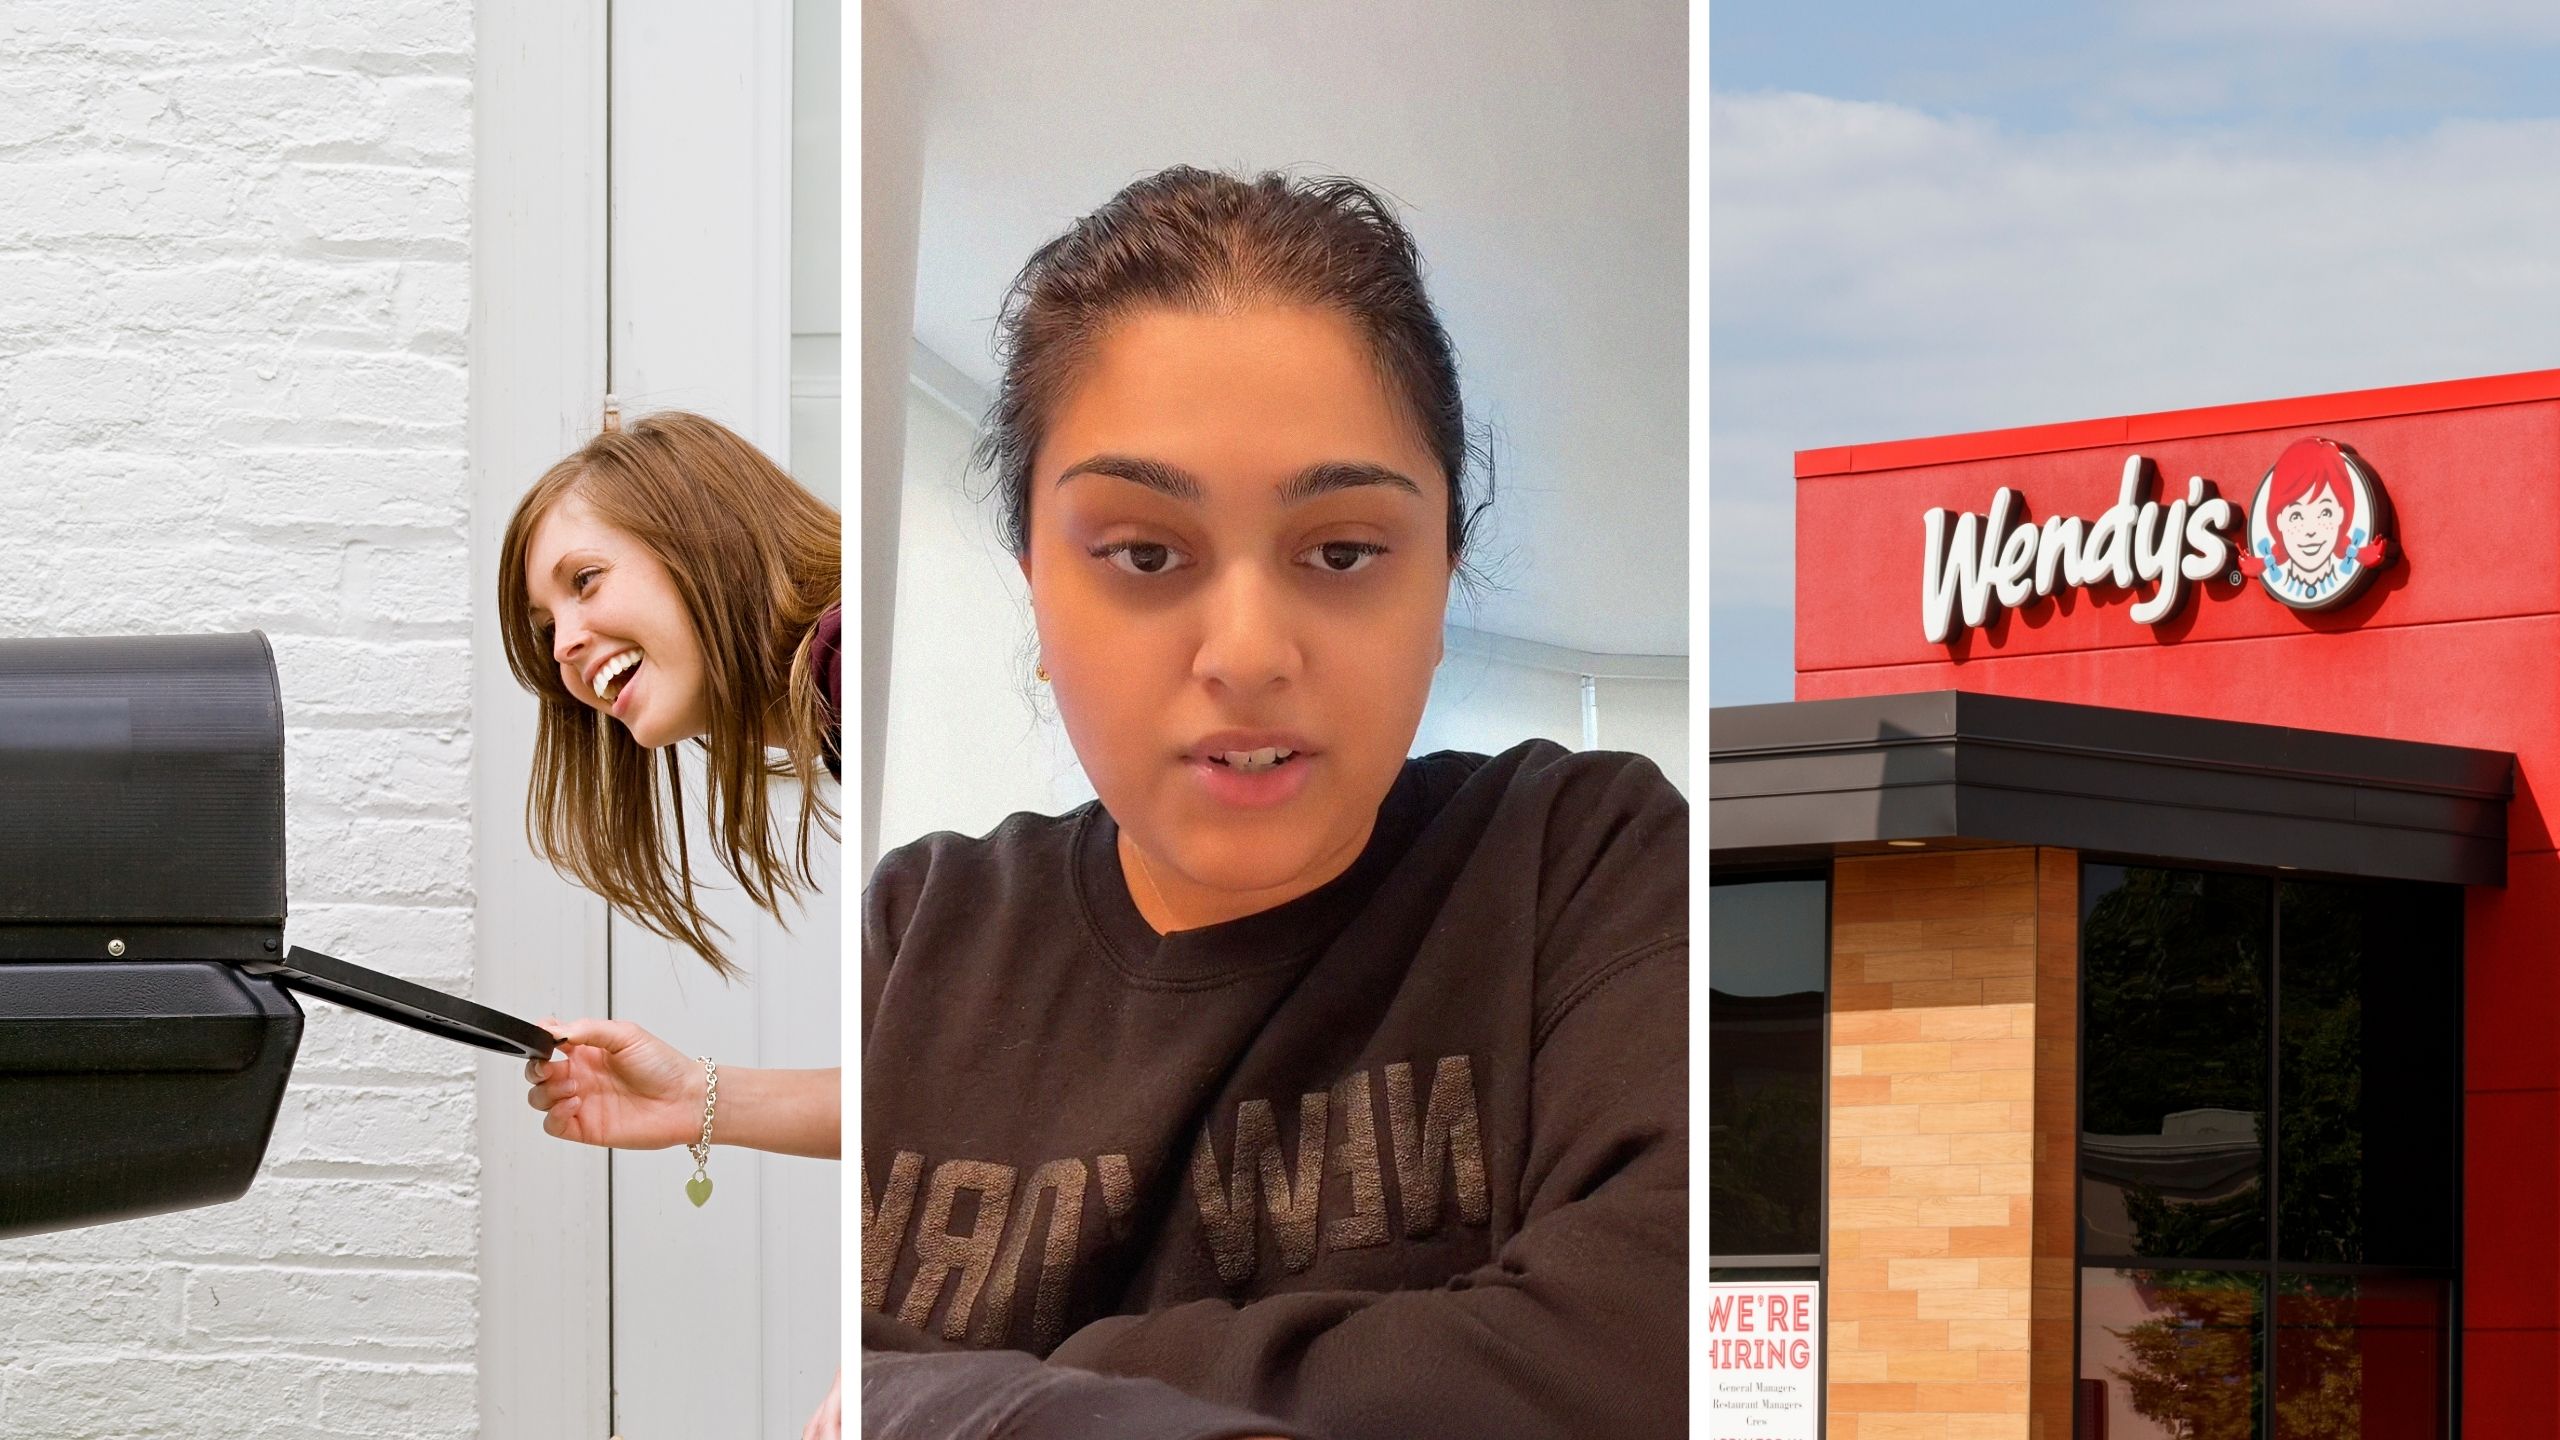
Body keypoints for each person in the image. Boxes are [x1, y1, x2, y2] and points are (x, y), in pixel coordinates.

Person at [861, 167, 1688, 1440]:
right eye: (1144, 553)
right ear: (1034, 582)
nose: (1246, 652)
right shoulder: (912, 933)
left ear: (1440, 586)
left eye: (1342, 553)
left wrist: (1001, 1393)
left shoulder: (1579, 865)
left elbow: (1644, 1361)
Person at [496, 407, 847, 1436]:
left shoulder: (848, 660)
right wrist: (696, 1098)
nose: (565, 646)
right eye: (543, 626)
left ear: (700, 536)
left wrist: (884, 1356)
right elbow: (932, 1083)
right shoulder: (834, 697)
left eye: (586, 582)